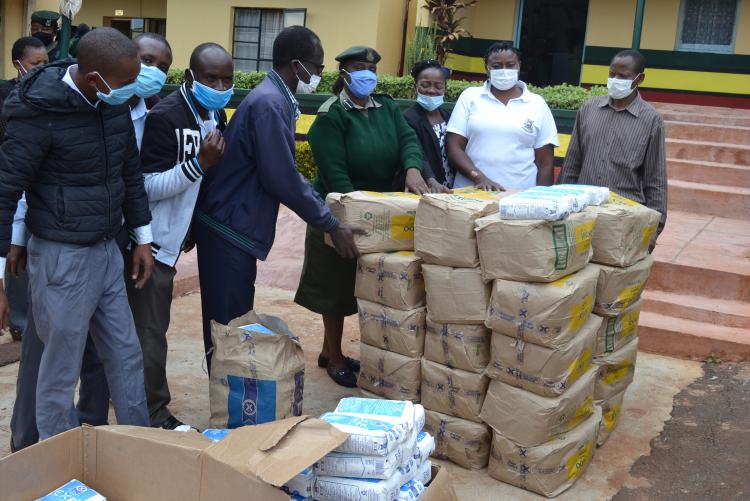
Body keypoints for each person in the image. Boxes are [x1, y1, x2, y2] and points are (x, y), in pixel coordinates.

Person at [0, 27, 154, 441]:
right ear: (94, 80)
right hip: (60, 258)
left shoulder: (111, 102)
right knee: (59, 369)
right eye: (126, 83)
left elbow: (129, 173)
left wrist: (142, 237)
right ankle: (61, 464)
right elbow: (5, 189)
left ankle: (142, 449)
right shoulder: (37, 112)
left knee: (125, 355)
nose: (132, 91)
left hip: (108, 250)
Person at [194, 26, 362, 373]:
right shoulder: (270, 103)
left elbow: (283, 172)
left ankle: (232, 405)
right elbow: (282, 178)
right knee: (228, 329)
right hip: (229, 227)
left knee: (235, 322)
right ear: (297, 65)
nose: (318, 75)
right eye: (317, 68)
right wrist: (330, 223)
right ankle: (226, 414)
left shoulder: (274, 98)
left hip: (235, 224)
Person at [294, 45, 427, 387]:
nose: (366, 74)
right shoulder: (331, 115)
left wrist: (413, 169)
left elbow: (408, 140)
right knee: (335, 287)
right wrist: (355, 214)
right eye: (358, 68)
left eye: (371, 68)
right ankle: (335, 356)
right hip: (341, 210)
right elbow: (336, 173)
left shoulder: (387, 107)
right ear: (344, 74)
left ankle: (328, 351)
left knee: (364, 283)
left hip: (380, 211)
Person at [127, 41, 227, 429]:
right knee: (150, 334)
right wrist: (198, 164)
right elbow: (146, 185)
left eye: (226, 79)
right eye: (210, 78)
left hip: (173, 238)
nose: (219, 86)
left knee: (151, 329)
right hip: (149, 243)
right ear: (190, 77)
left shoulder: (215, 114)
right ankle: (153, 414)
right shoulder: (166, 116)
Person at [558, 49, 667, 248]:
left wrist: (653, 231)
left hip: (625, 217)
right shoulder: (588, 109)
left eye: (623, 76)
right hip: (583, 213)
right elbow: (571, 164)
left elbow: (655, 179)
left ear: (639, 79)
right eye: (612, 74)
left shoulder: (651, 120)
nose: (615, 80)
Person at [446, 42, 558, 190]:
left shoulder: (537, 104)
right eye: (497, 66)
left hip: (519, 197)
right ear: (487, 68)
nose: (504, 70)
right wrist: (479, 178)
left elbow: (545, 162)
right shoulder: (470, 97)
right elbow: (454, 146)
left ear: (519, 66)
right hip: (471, 193)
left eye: (510, 65)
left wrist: (542, 199)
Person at [0, 36, 48, 343]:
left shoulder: (48, 95)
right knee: (11, 249)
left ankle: (29, 319)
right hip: (9, 179)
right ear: (18, 64)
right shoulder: (5, 95)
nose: (42, 69)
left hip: (34, 182)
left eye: (46, 63)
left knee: (23, 248)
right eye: (35, 64)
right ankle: (17, 318)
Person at [403, 59, 455, 191]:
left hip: (453, 190)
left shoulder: (449, 117)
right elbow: (416, 152)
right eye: (425, 85)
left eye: (438, 86)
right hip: (426, 189)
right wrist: (431, 180)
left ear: (445, 88)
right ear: (416, 87)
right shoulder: (408, 118)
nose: (432, 90)